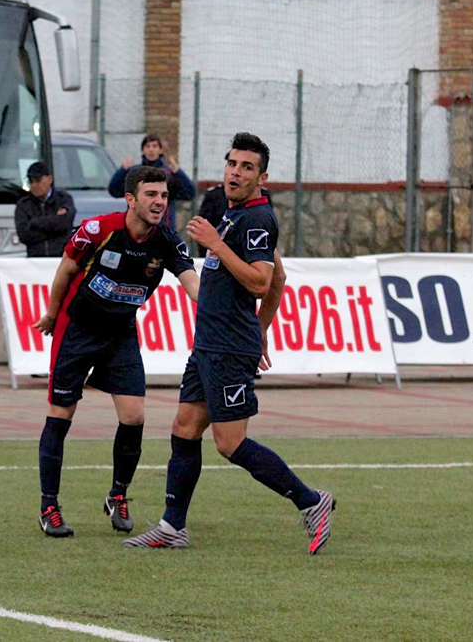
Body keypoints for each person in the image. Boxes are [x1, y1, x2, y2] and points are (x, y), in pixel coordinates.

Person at [123, 132, 335, 555]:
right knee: (184, 428)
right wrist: (262, 328)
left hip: (228, 350)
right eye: (232, 163)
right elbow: (279, 277)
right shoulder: (232, 213)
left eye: (247, 167)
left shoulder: (258, 219)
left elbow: (261, 281)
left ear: (262, 178)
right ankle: (173, 526)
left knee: (230, 443)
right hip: (209, 344)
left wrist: (216, 245)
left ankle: (311, 502)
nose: (235, 173)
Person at [32, 166, 200, 538]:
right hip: (77, 329)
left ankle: (117, 495)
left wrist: (219, 308)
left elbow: (192, 283)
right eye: (151, 195)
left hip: (120, 333)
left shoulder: (167, 241)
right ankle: (49, 507)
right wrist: (52, 315)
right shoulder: (99, 230)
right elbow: (65, 270)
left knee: (134, 415)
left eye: (164, 196)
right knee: (61, 414)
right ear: (130, 199)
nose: (159, 202)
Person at [108, 134, 195, 229]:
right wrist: (122, 171)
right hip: (137, 227)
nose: (151, 149)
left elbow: (189, 193)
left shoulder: (169, 174)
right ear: (143, 150)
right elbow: (114, 191)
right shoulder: (135, 172)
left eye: (154, 146)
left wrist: (178, 172)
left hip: (163, 227)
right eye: (148, 146)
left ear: (160, 150)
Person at [15, 162, 76, 258]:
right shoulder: (23, 205)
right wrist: (56, 231)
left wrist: (35, 222)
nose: (34, 185)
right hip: (35, 260)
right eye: (31, 182)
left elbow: (65, 223)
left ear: (50, 179)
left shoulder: (63, 199)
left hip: (61, 258)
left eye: (38, 180)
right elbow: (24, 235)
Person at [196, 183, 272, 256]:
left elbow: (268, 233)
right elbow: (204, 230)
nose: (235, 175)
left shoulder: (262, 197)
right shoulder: (214, 195)